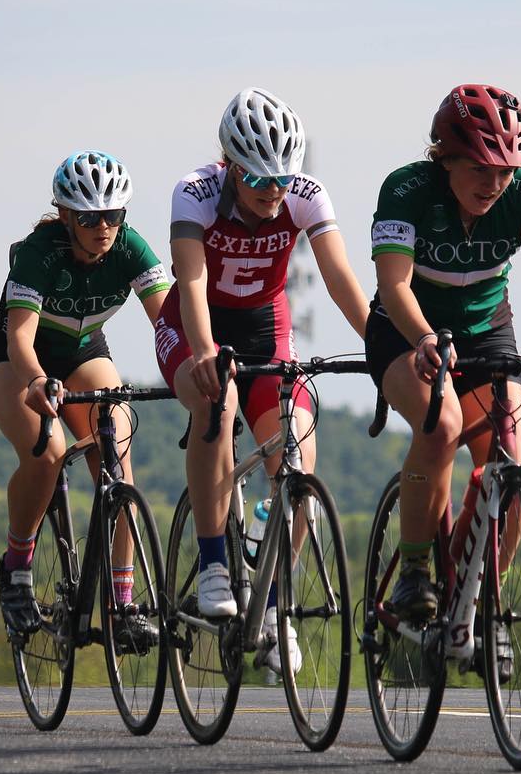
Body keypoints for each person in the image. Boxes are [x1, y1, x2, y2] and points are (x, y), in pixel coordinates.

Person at [364, 83, 521, 619]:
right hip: (404, 332)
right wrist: (426, 339)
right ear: (446, 157)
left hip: (486, 334)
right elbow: (395, 286)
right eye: (481, 170)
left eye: (506, 171)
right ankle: (414, 571)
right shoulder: (407, 189)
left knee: (510, 470)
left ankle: (475, 600)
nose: (495, 184)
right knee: (441, 427)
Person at [154, 87, 370, 673]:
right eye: (259, 180)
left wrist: (383, 343)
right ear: (230, 165)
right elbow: (191, 284)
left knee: (299, 461)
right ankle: (214, 560)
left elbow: (338, 275)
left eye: (283, 179)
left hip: (265, 326)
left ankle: (275, 611)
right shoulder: (195, 192)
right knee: (215, 408)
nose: (274, 192)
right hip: (195, 324)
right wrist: (203, 351)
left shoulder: (304, 194)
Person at [0, 150, 170, 648]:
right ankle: (17, 569)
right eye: (90, 217)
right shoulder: (39, 253)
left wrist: (197, 366)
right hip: (17, 360)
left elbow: (169, 322)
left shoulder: (130, 247)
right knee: (48, 455)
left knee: (118, 454)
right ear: (66, 215)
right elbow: (20, 337)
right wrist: (38, 381)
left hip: (85, 352)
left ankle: (121, 603)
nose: (103, 226)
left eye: (114, 214)